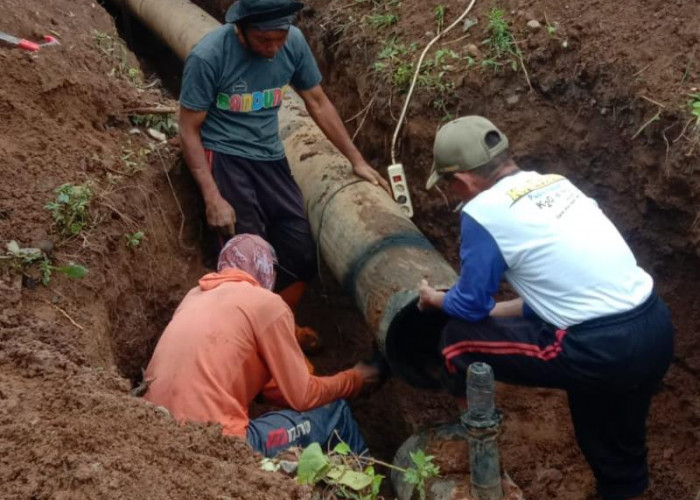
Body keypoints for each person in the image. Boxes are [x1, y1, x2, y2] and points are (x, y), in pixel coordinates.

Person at [418, 116, 674, 500]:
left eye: (450, 188)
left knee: (456, 340)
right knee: (613, 440)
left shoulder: (484, 212)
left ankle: (475, 447)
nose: (454, 196)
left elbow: (469, 307)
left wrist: (434, 298)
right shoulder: (557, 184)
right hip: (654, 327)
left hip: (599, 347)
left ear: (464, 181)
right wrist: (491, 311)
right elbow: (555, 298)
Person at [179, 0, 389, 319]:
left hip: (270, 156)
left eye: (280, 38)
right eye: (265, 40)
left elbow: (317, 102)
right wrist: (213, 197)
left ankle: (281, 322)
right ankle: (252, 336)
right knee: (248, 260)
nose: (274, 48)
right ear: (240, 29)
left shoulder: (293, 41)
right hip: (224, 157)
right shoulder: (208, 56)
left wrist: (356, 159)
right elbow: (189, 129)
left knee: (301, 252)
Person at [144, 234, 379, 457]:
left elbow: (260, 384)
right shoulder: (267, 304)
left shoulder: (195, 296)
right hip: (220, 444)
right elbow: (303, 396)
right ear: (266, 269)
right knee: (334, 411)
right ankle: (368, 490)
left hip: (157, 433)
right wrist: (354, 380)